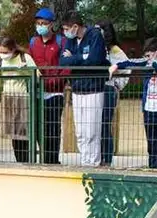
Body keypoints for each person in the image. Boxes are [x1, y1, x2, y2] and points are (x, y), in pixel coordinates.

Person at [111, 38, 157, 170]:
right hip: (149, 109)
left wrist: (152, 63)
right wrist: (117, 66)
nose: (146, 58)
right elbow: (131, 62)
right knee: (152, 142)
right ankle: (154, 167)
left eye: (148, 55)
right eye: (146, 56)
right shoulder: (146, 62)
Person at [58, 11, 107, 167]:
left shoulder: (95, 36)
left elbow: (95, 60)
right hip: (77, 89)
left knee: (91, 131)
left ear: (75, 26)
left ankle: (93, 163)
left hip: (93, 89)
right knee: (80, 132)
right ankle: (85, 161)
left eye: (66, 28)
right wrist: (81, 58)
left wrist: (74, 58)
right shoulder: (71, 41)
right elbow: (62, 61)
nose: (65, 32)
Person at [28, 7, 70, 164]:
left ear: (51, 24)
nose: (40, 26)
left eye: (44, 23)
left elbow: (66, 66)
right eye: (38, 23)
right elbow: (30, 62)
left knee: (52, 127)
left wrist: (57, 81)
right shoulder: (33, 42)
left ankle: (53, 159)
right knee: (38, 128)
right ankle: (43, 158)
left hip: (55, 92)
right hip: (38, 91)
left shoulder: (61, 41)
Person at [0, 37, 36, 163]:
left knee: (23, 134)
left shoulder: (24, 58)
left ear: (12, 49)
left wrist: (25, 70)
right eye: (1, 52)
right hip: (8, 98)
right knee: (13, 135)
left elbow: (37, 76)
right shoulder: (1, 61)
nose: (3, 55)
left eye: (5, 52)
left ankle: (28, 161)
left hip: (22, 98)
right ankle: (19, 162)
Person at [97, 21, 128, 166]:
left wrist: (117, 84)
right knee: (94, 124)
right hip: (95, 88)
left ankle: (107, 158)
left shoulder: (115, 51)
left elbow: (126, 68)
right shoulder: (96, 47)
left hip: (108, 88)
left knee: (104, 124)